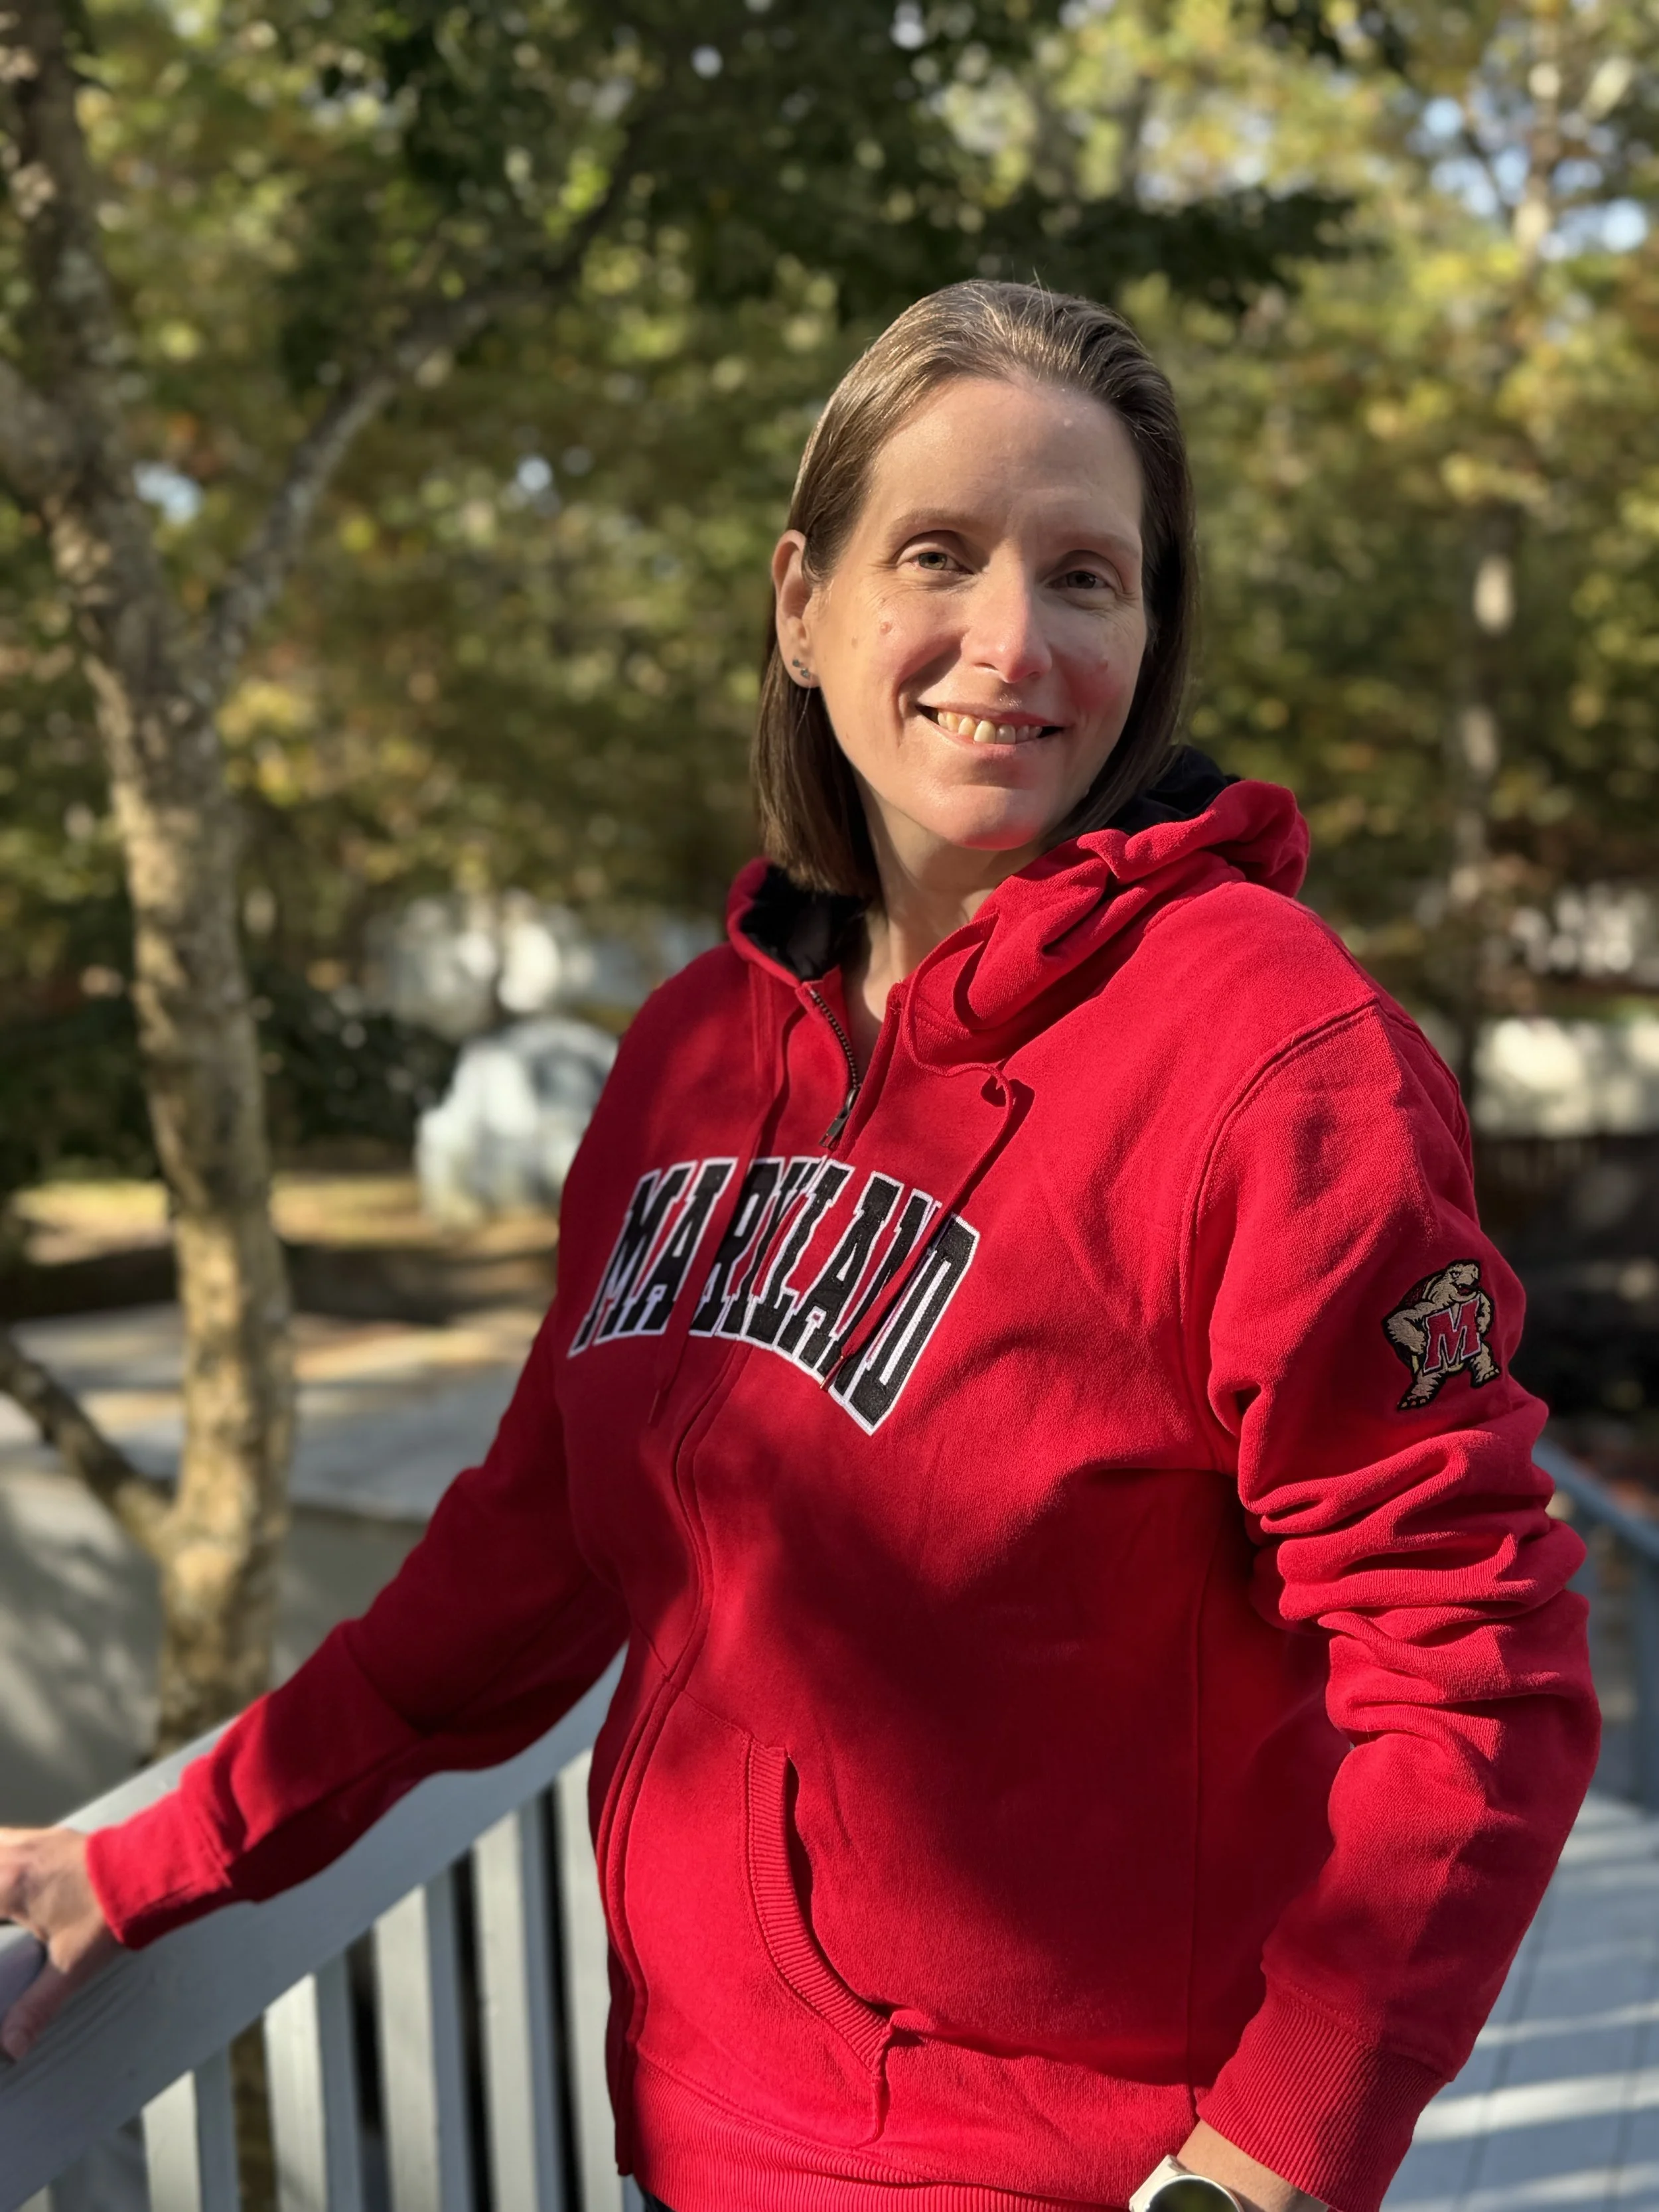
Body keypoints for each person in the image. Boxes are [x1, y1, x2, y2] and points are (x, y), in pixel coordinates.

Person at [0, 282, 1598, 2212]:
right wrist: (146, 1855)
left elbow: (1474, 1669)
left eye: (1085, 577)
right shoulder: (696, 1049)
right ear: (800, 602)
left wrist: (1265, 2165)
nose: (1010, 642)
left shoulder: (1269, 1053)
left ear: (1148, 637)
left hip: (1074, 2171)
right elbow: (524, 1554)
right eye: (937, 553)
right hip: (695, 2136)